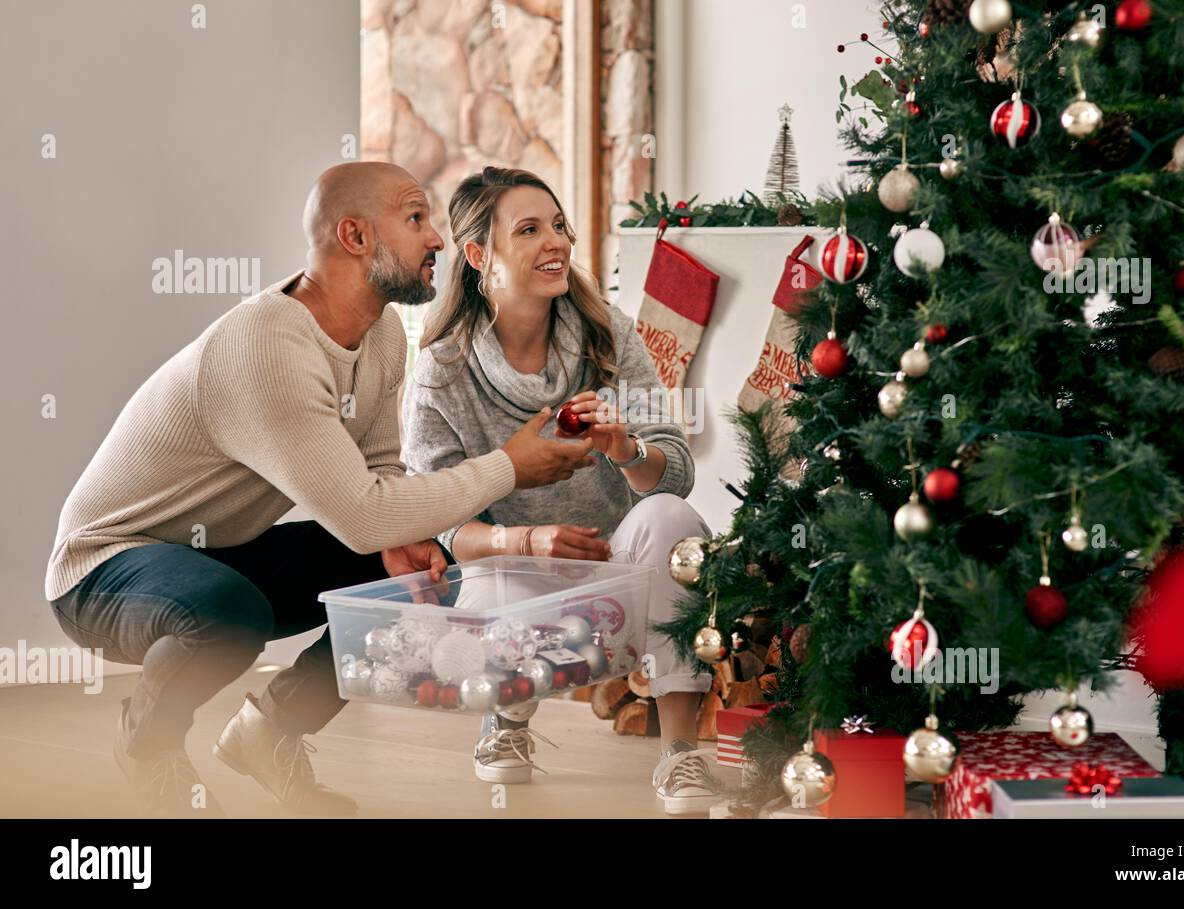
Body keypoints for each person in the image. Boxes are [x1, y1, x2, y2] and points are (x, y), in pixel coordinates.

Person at [44, 162, 593, 818]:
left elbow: (382, 474)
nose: (438, 241)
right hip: (103, 569)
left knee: (420, 577)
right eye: (415, 219)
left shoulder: (383, 334)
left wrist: (405, 543)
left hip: (215, 551)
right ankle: (147, 747)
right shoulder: (268, 345)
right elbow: (362, 515)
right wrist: (510, 464)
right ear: (356, 236)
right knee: (229, 612)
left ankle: (271, 727)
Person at [403, 166, 720, 815]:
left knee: (670, 516)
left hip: (618, 577)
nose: (555, 242)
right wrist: (529, 537)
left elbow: (680, 471)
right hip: (513, 578)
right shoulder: (442, 373)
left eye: (558, 225)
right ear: (477, 254)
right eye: (528, 229)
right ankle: (507, 721)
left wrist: (625, 449)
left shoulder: (608, 334)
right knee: (487, 561)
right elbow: (438, 520)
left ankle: (680, 751)